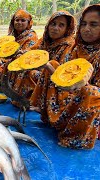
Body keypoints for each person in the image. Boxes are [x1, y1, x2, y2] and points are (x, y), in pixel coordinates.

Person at [31, 5, 100, 149]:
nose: (87, 29)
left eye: (93, 25)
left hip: (90, 105)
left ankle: (75, 138)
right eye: (84, 24)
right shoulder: (75, 48)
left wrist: (82, 85)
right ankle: (49, 117)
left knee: (92, 93)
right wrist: (49, 67)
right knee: (53, 64)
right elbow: (62, 75)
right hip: (68, 94)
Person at [30, 11, 76, 113]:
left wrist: (46, 66)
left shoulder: (69, 45)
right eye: (53, 24)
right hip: (42, 72)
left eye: (61, 25)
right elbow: (30, 53)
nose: (55, 28)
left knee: (51, 65)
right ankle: (25, 100)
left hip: (60, 80)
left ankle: (45, 107)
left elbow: (63, 75)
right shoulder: (44, 40)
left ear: (67, 29)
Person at [6, 9, 39, 100]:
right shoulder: (12, 35)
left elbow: (28, 54)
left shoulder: (32, 36)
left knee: (19, 68)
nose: (19, 23)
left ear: (29, 23)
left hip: (26, 62)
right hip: (10, 59)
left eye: (23, 20)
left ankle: (20, 97)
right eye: (17, 20)